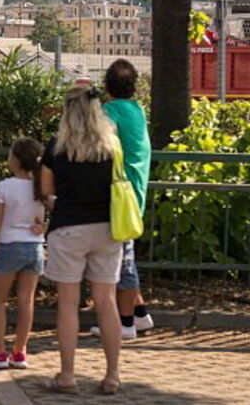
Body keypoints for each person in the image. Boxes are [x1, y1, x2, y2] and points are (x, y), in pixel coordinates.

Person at [41, 87, 123, 395]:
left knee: (68, 303)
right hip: (107, 228)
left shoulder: (57, 147)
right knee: (106, 302)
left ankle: (67, 375)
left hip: (68, 228)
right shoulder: (111, 146)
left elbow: (47, 191)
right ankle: (112, 374)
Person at [90, 59, 154, 341]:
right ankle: (140, 315)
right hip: (135, 192)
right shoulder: (137, 110)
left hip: (118, 195)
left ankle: (125, 323)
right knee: (126, 252)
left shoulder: (109, 112)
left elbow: (98, 145)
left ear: (107, 86)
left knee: (124, 262)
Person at [0, 137, 45, 370]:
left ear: (15, 159)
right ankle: (20, 351)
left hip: (10, 245)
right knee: (26, 300)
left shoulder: (5, 186)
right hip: (34, 246)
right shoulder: (41, 186)